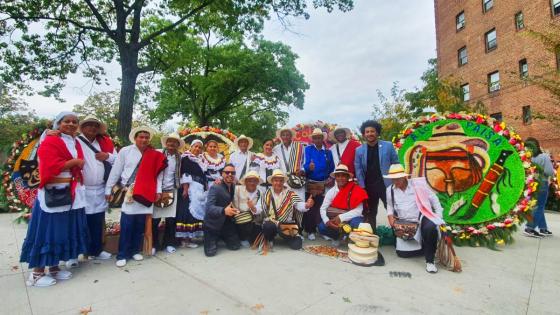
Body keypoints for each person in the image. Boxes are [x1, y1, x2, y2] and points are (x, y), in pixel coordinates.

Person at [20, 112, 89, 287]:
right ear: (58, 124)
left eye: (75, 122)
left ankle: (53, 267)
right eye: (67, 121)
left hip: (69, 192)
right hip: (53, 192)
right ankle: (36, 273)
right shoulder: (50, 140)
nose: (71, 124)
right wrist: (73, 162)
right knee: (47, 231)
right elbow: (50, 165)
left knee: (60, 231)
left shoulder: (74, 141)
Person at [105, 126, 167, 267]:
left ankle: (134, 250)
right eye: (141, 136)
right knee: (127, 223)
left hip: (147, 191)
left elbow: (158, 175)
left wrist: (158, 190)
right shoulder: (126, 151)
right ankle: (122, 254)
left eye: (146, 137)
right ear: (135, 138)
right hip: (130, 192)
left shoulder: (153, 154)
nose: (144, 139)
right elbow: (116, 170)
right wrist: (108, 189)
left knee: (140, 224)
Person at [384, 164, 445, 274]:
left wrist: (438, 216)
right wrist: (390, 216)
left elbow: (434, 199)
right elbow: (389, 206)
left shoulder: (418, 186)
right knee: (403, 254)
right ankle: (424, 245)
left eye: (398, 179)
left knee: (430, 227)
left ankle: (430, 261)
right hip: (404, 223)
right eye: (393, 179)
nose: (395, 182)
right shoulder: (390, 190)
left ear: (405, 177)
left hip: (421, 217)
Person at [76, 116, 116, 261]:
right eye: (88, 125)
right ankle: (79, 252)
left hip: (100, 188)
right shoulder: (75, 141)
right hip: (81, 189)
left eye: (95, 125)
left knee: (97, 221)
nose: (92, 128)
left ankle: (96, 250)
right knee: (80, 221)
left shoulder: (105, 142)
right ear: (82, 127)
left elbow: (117, 160)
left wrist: (107, 156)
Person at [253, 169, 314, 253]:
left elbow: (299, 205)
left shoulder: (290, 193)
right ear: (272, 182)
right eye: (276, 180)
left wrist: (307, 205)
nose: (278, 183)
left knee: (297, 245)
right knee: (268, 226)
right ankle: (271, 238)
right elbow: (259, 208)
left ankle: (286, 237)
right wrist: (253, 208)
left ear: (283, 182)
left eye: (280, 181)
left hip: (287, 224)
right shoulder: (266, 194)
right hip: (272, 223)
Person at [354, 120, 399, 228]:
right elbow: (358, 169)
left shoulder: (388, 146)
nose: (370, 134)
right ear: (364, 134)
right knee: (370, 213)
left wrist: (396, 182)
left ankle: (398, 237)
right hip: (368, 187)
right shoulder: (359, 150)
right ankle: (372, 237)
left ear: (377, 133)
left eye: (372, 131)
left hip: (386, 185)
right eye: (367, 132)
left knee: (393, 211)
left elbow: (396, 163)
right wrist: (362, 186)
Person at [318, 164, 369, 245]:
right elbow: (323, 208)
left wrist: (341, 217)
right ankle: (337, 237)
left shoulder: (356, 189)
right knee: (321, 227)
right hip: (336, 221)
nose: (340, 178)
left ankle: (351, 238)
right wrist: (327, 221)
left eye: (343, 176)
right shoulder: (331, 192)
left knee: (357, 223)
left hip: (350, 220)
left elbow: (359, 211)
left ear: (348, 177)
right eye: (338, 176)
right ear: (335, 178)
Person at [152, 133, 184, 254]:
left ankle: (169, 243)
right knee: (155, 220)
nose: (171, 144)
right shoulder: (158, 154)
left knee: (171, 219)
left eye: (174, 142)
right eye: (169, 141)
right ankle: (154, 244)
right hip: (157, 189)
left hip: (172, 190)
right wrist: (158, 190)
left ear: (177, 145)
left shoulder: (179, 157)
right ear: (166, 143)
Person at [303, 128, 335, 240]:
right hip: (311, 183)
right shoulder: (308, 149)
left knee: (322, 207)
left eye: (319, 137)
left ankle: (322, 230)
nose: (317, 140)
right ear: (312, 139)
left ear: (322, 138)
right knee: (310, 208)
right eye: (315, 138)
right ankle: (310, 230)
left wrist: (330, 177)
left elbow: (332, 168)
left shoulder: (328, 152)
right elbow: (305, 166)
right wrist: (309, 167)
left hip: (324, 184)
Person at [203, 164, 241, 256]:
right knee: (210, 253)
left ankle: (221, 236)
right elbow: (209, 208)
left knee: (235, 246)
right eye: (227, 172)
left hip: (226, 222)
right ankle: (213, 237)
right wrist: (223, 210)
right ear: (222, 174)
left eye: (233, 173)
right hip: (213, 224)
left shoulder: (232, 185)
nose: (230, 174)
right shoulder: (215, 187)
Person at [176, 139, 207, 248]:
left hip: (198, 188)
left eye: (199, 147)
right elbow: (185, 173)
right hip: (189, 188)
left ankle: (190, 238)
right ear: (191, 147)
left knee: (195, 212)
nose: (197, 149)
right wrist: (185, 189)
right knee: (187, 212)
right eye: (195, 146)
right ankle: (185, 240)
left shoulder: (200, 160)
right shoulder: (186, 157)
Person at [524, 138, 554, 237]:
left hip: (530, 183)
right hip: (542, 183)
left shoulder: (527, 157)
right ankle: (530, 228)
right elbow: (549, 172)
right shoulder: (544, 156)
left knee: (535, 206)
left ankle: (543, 228)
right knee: (540, 206)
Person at [273, 127, 306, 200]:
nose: (285, 137)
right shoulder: (276, 149)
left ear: (291, 136)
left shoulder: (299, 146)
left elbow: (305, 161)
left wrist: (302, 170)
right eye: (283, 135)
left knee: (299, 202)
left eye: (287, 135)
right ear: (280, 137)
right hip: (283, 181)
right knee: (285, 204)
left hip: (297, 179)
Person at [232, 170, 263, 247]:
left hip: (252, 217)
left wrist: (252, 207)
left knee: (257, 235)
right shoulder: (236, 189)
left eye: (255, 181)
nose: (252, 183)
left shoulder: (260, 192)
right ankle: (242, 238)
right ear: (245, 182)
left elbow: (259, 209)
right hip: (236, 215)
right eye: (249, 181)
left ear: (257, 182)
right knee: (243, 219)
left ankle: (247, 236)